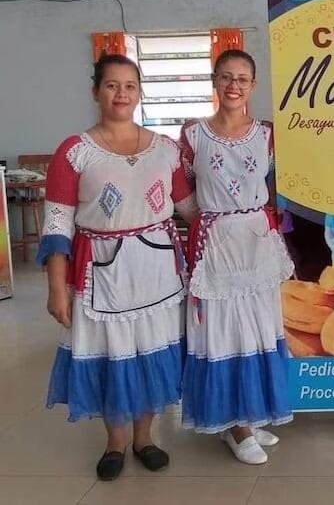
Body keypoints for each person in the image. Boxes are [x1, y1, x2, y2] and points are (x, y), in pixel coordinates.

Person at [39, 54, 197, 480]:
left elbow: (189, 206)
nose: (121, 93)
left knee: (152, 353)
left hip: (158, 273)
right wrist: (56, 287)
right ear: (96, 91)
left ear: (139, 92)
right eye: (112, 85)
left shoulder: (165, 149)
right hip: (102, 275)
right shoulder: (74, 152)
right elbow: (56, 226)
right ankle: (115, 443)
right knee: (113, 356)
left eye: (129, 85)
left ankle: (145, 438)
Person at [180, 49, 294, 464]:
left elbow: (278, 183)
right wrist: (215, 221)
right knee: (224, 330)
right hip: (218, 243)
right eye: (226, 77)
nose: (234, 85)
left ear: (253, 85)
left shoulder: (267, 134)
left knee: (258, 328)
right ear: (215, 81)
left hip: (257, 241)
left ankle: (249, 413)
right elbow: (182, 191)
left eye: (242, 79)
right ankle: (235, 426)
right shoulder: (193, 134)